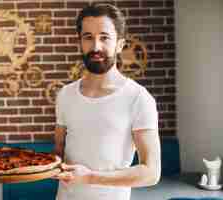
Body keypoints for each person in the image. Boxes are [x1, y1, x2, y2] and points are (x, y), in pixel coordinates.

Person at [54, 3, 161, 200]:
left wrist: (90, 177)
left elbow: (151, 172)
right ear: (80, 42)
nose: (96, 47)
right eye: (88, 37)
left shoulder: (138, 98)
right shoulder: (65, 95)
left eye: (104, 38)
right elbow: (58, 154)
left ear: (120, 44)